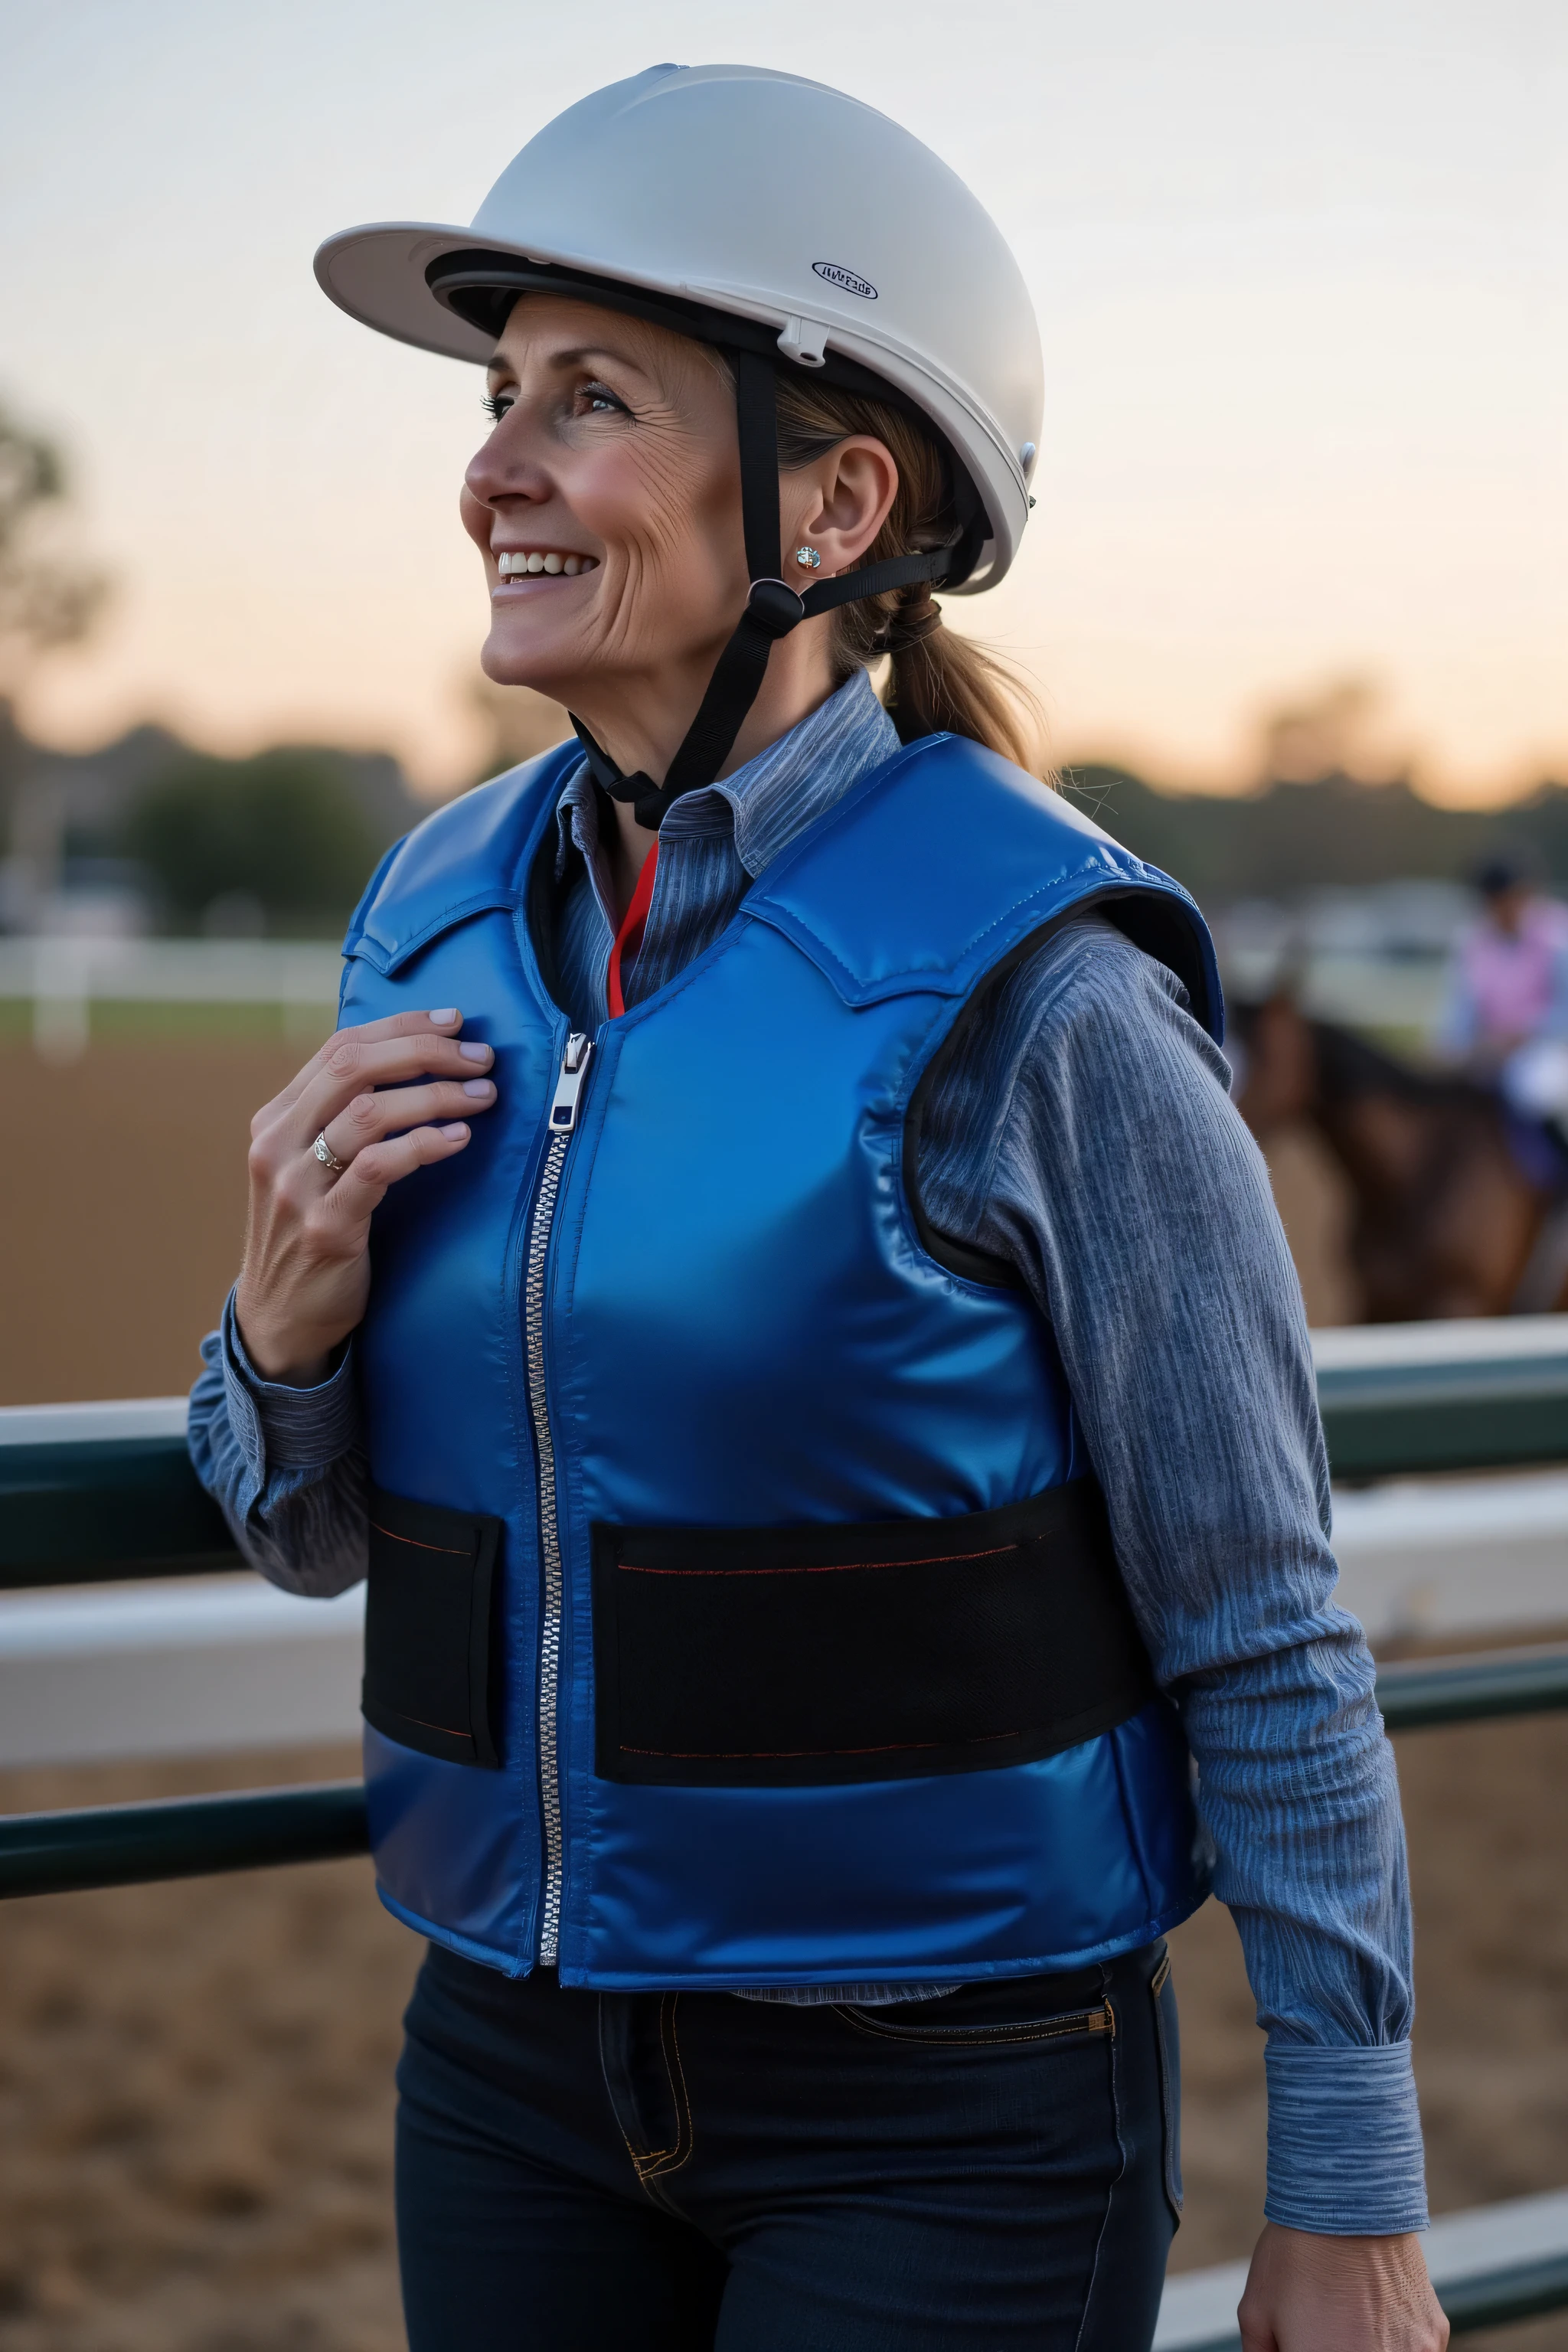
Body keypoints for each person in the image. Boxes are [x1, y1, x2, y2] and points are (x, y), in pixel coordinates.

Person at [188, 65, 1445, 2352]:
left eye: (588, 399)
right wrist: (276, 1338)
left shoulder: (1047, 990)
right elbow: (310, 1536)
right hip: (502, 2071)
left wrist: (1350, 2184)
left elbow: (1260, 1616)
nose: (492, 468)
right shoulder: (422, 922)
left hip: (950, 2108)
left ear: (837, 497)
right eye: (494, 397)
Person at [1434, 853, 1568, 1164]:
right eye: (1493, 902)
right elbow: (1462, 1010)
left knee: (1533, 1088)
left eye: (1508, 899)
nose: (1501, 909)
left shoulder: (1558, 937)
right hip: (1493, 1050)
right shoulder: (1474, 943)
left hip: (1551, 1047)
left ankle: (1558, 1172)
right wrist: (1447, 1050)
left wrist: (1523, 1034)